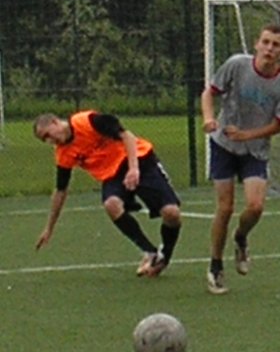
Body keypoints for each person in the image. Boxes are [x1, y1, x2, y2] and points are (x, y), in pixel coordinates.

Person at [201, 23, 280, 295]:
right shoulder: (237, 65)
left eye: (275, 45)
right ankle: (215, 266)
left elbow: (278, 124)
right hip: (223, 145)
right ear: (257, 44)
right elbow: (209, 92)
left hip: (254, 150)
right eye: (265, 42)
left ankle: (241, 237)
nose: (269, 49)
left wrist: (248, 135)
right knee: (225, 208)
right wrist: (209, 118)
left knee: (255, 207)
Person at [33, 110, 182, 276]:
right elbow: (61, 190)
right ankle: (150, 252)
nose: (49, 141)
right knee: (111, 204)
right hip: (113, 175)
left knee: (171, 213)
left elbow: (127, 136)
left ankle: (164, 256)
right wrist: (49, 228)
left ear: (55, 122)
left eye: (47, 134)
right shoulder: (63, 154)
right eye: (44, 140)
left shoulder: (87, 121)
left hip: (139, 160)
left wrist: (133, 169)